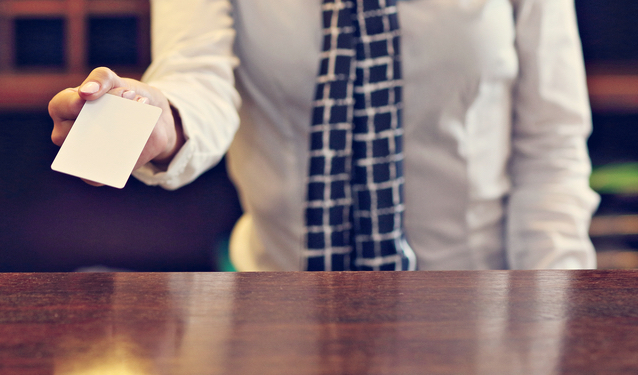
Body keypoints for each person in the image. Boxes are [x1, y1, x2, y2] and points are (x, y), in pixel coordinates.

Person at [48, 0, 599, 271]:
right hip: (277, 303)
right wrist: (159, 119)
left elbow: (551, 145)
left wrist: (552, 320)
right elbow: (198, 79)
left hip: (479, 302)